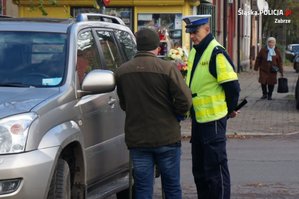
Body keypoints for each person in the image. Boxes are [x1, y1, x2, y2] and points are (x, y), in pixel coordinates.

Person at [115, 28, 192, 199]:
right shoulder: (168, 69)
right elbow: (185, 100)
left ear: (137, 46)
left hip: (138, 138)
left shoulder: (122, 71)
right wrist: (176, 114)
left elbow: (124, 103)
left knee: (143, 188)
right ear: (157, 47)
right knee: (171, 187)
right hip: (167, 136)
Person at [182, 15, 240, 199]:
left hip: (214, 120)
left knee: (215, 170)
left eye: (195, 32)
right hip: (199, 120)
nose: (192, 36)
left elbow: (232, 87)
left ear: (207, 29)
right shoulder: (195, 51)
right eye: (190, 32)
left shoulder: (216, 53)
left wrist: (229, 110)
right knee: (200, 171)